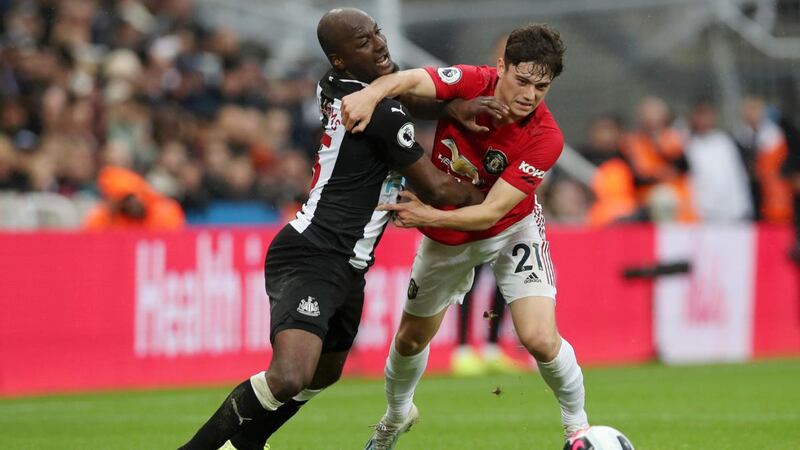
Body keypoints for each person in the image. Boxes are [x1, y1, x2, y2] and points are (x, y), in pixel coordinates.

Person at [177, 8, 490, 450]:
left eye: (377, 33)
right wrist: (503, 197)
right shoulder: (379, 113)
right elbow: (438, 190)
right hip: (315, 252)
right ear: (340, 59)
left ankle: (247, 443)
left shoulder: (340, 84)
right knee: (289, 376)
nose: (379, 44)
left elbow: (409, 96)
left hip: (348, 263)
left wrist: (453, 105)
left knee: (325, 372)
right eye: (363, 42)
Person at [341, 23, 590, 449]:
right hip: (447, 234)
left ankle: (578, 430)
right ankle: (397, 417)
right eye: (523, 80)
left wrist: (425, 213)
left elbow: (492, 211)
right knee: (411, 338)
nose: (530, 94)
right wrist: (371, 93)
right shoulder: (475, 82)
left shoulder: (546, 138)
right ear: (501, 68)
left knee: (539, 339)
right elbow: (412, 78)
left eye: (542, 86)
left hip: (512, 229)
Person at [83, 165, 185, 230]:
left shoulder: (165, 211)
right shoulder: (107, 217)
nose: (133, 203)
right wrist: (109, 216)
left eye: (134, 196)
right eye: (125, 199)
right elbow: (91, 239)